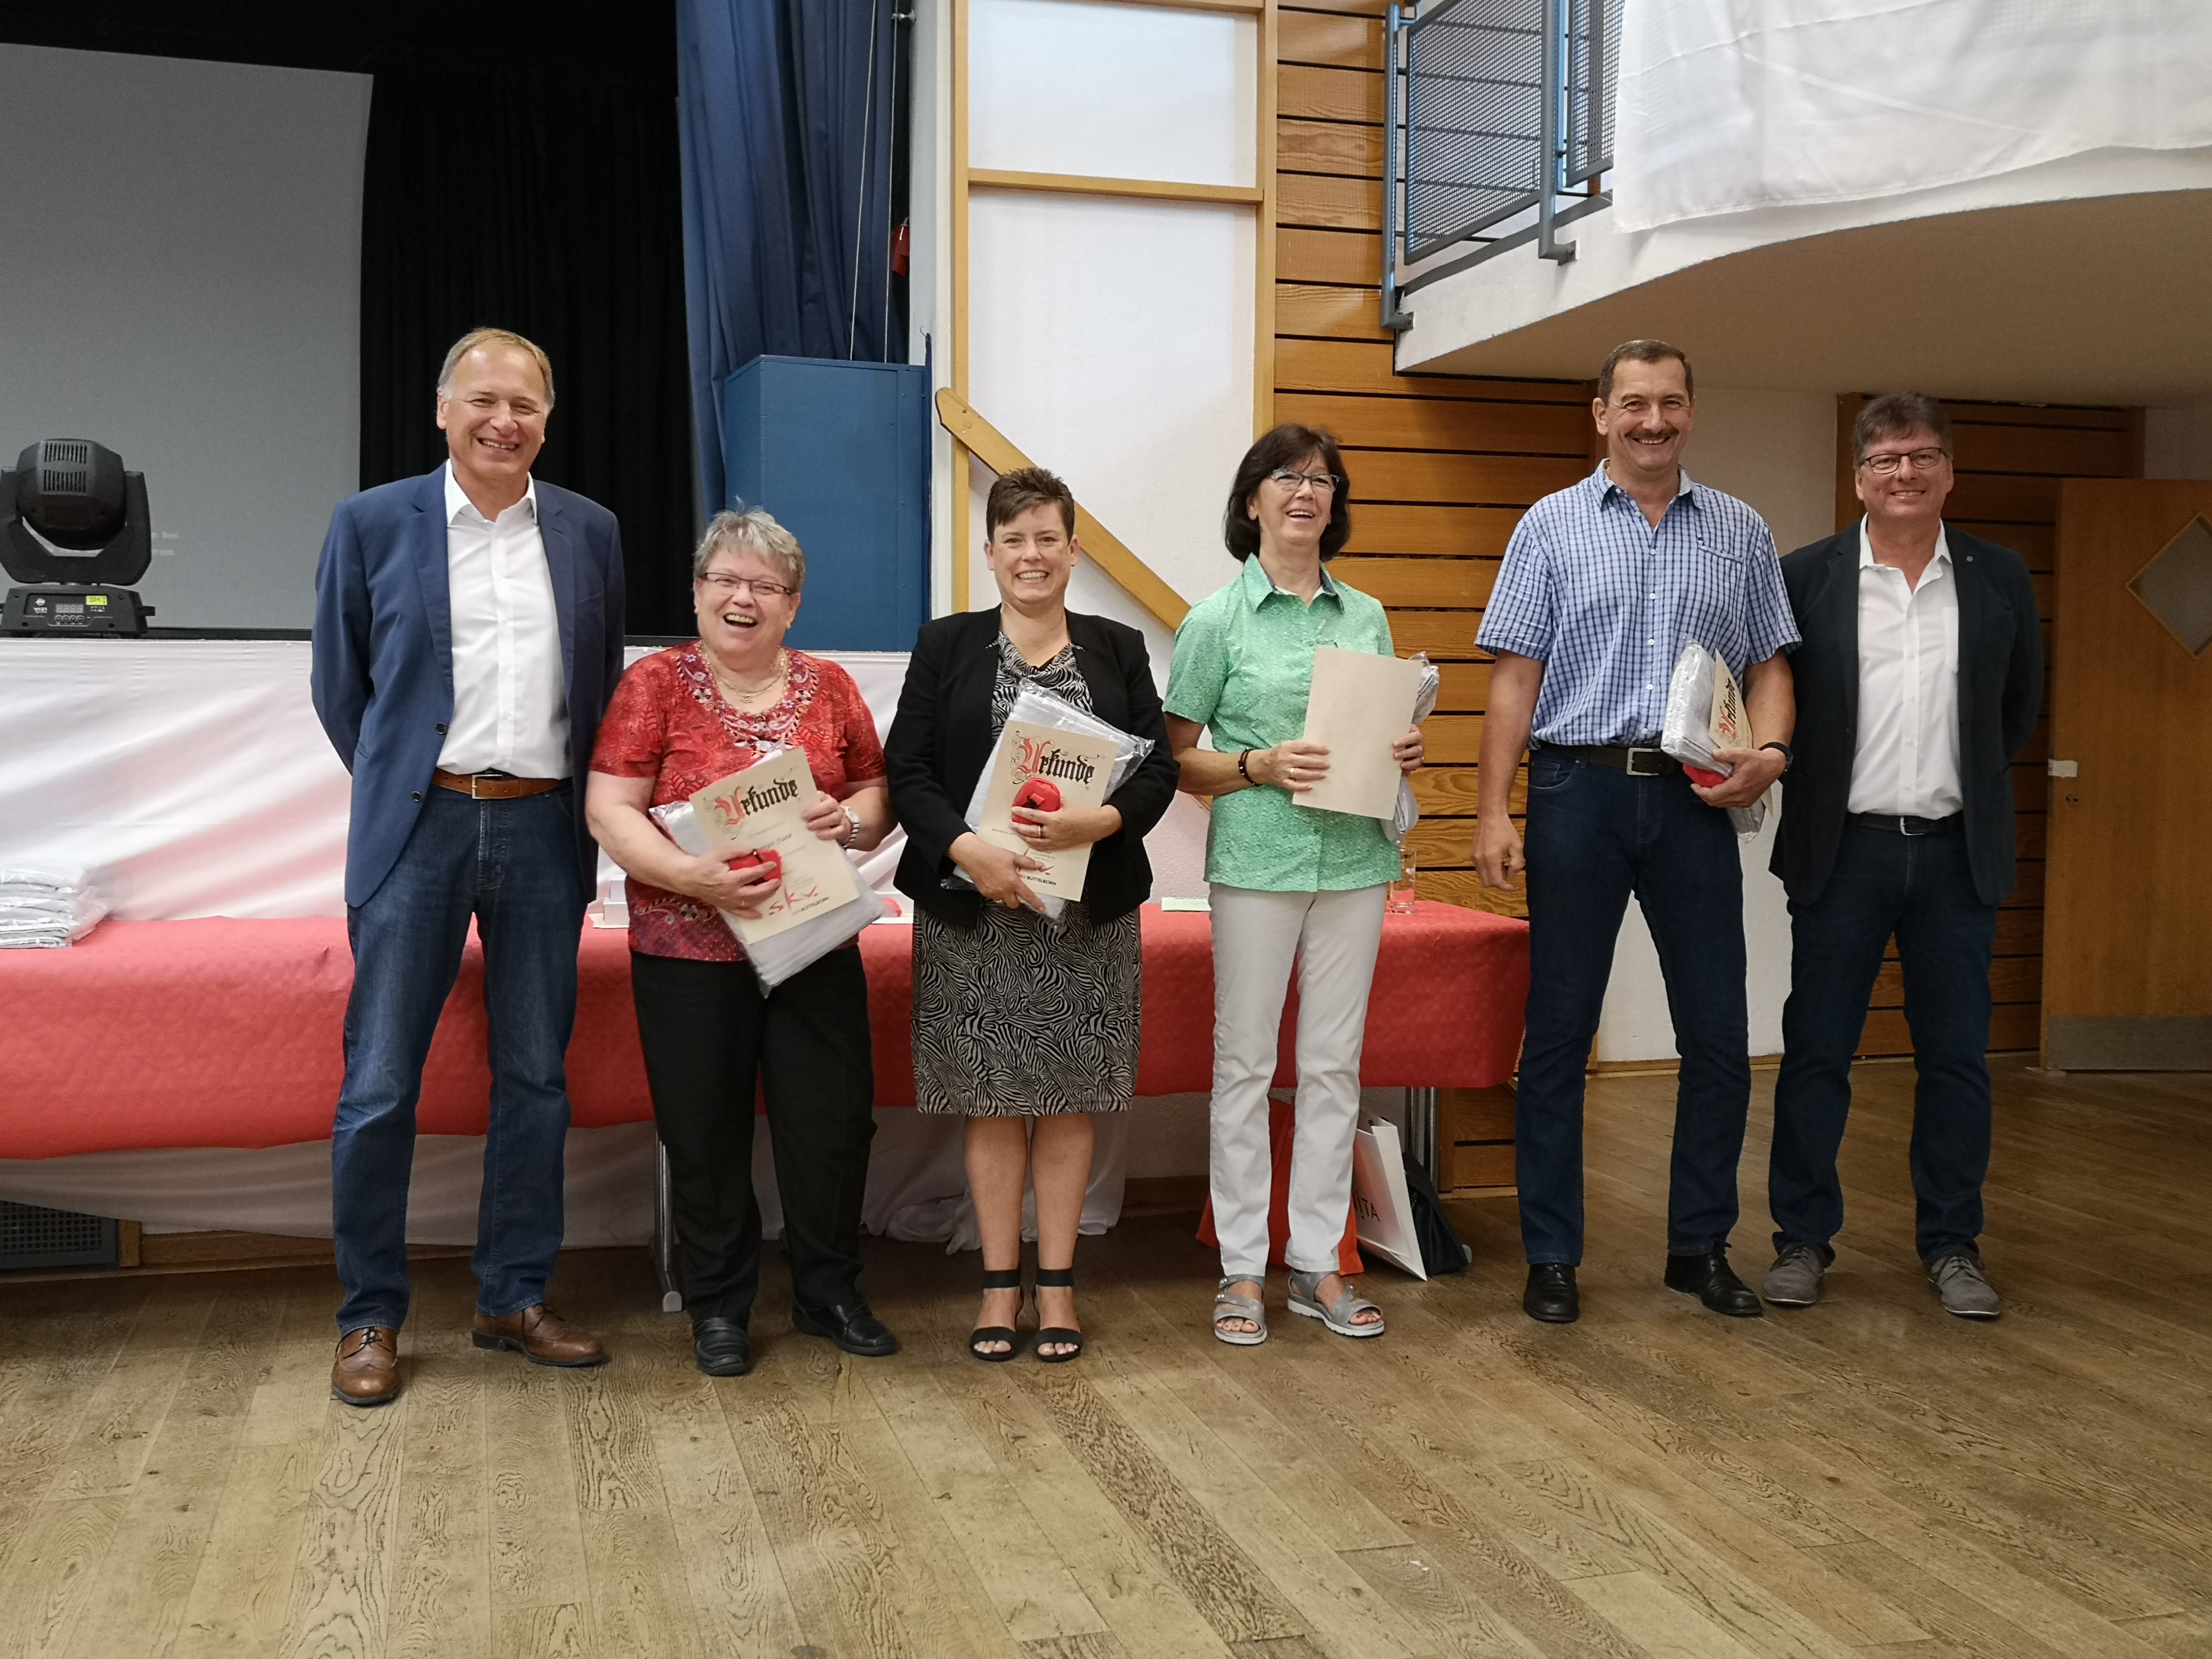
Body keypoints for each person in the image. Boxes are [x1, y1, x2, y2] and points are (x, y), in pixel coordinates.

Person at [312, 327, 626, 1406]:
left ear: (548, 418)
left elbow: (597, 682)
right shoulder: (369, 523)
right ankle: (369, 1316)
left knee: (536, 1078)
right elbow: (341, 689)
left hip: (543, 828)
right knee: (379, 1085)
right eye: (484, 401)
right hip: (420, 828)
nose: (504, 422)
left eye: (525, 405)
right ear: (442, 410)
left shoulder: (590, 531)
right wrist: (407, 782)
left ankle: (514, 1295)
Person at [1473, 339, 1798, 1325]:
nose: (1653, 421)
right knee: (1561, 1029)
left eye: (1670, 403)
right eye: (1634, 404)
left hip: (1698, 801)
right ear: (1602, 415)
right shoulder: (1550, 524)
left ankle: (1700, 1248)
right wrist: (1492, 808)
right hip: (1577, 791)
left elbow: (1772, 663)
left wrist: (1770, 751)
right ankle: (1552, 1255)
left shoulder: (1739, 529)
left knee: (1720, 1032)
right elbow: (1515, 676)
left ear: (1691, 412)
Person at [586, 508, 897, 1376]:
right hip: (687, 950)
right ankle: (719, 1306)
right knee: (704, 1132)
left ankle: (829, 1293)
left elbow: (877, 795)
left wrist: (851, 820)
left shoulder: (830, 687)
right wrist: (693, 878)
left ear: (793, 604)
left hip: (814, 942)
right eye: (725, 579)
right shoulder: (653, 685)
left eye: (765, 586)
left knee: (832, 1125)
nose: (743, 598)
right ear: (697, 592)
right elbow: (609, 810)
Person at [884, 467, 1178, 1363]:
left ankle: (1057, 1290)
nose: (1032, 554)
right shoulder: (945, 645)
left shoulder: (1117, 647)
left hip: (1083, 919)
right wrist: (965, 849)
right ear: (991, 553)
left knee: (1069, 1100)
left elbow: (1159, 769)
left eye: (1047, 538)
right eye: (1014, 539)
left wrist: (1104, 820)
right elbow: (908, 772)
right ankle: (997, 1287)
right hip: (975, 913)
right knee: (990, 1101)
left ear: (1073, 550)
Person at [1760, 394, 2042, 1320]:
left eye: (1922, 457)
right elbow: (1778, 699)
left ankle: (1953, 1245)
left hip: (1959, 857)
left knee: (1957, 1060)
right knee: (1818, 1053)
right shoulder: (1806, 576)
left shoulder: (2000, 577)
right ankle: (1802, 1240)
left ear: (1950, 471)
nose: (1906, 474)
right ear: (1859, 479)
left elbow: (2016, 708)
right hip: (1844, 854)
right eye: (1886, 460)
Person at [1163, 425, 1424, 1346]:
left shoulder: (1368, 616)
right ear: (1253, 501)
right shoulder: (1214, 620)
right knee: (1244, 1067)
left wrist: (1404, 747)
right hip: (1257, 862)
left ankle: (1318, 1263)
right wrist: (1258, 765)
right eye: (1287, 477)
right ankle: (1242, 1266)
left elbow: (1383, 731)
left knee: (1332, 1067)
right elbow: (1174, 760)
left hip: (1355, 861)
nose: (1306, 492)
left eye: (1323, 480)